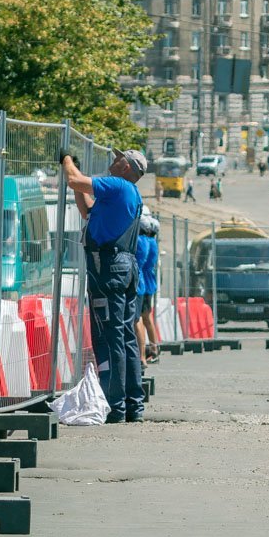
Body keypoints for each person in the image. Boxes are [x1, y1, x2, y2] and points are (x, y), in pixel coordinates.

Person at [60, 147, 147, 423]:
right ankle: (133, 405)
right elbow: (86, 209)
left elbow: (74, 180)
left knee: (109, 337)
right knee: (125, 336)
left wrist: (66, 159)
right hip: (125, 265)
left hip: (108, 266)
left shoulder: (118, 185)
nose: (113, 160)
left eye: (118, 158)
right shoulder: (126, 194)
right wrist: (75, 175)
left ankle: (115, 405)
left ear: (127, 167)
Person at [134, 213, 161, 365]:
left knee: (140, 318)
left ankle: (144, 353)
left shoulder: (142, 242)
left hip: (140, 283)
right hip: (145, 282)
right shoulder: (150, 242)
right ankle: (150, 348)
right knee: (144, 317)